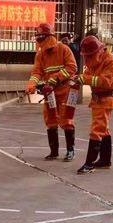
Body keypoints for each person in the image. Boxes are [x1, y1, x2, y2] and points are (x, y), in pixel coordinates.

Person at [26, 23, 78, 161]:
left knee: (66, 120)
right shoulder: (40, 55)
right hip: (50, 92)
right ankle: (54, 152)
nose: (40, 42)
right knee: (50, 120)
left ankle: (70, 151)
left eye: (42, 38)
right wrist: (32, 84)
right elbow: (37, 72)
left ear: (50, 37)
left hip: (65, 90)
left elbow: (72, 68)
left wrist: (56, 77)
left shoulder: (64, 49)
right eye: (39, 39)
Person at [74, 35, 113, 174]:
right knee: (103, 129)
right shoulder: (95, 60)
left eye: (89, 56)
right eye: (86, 56)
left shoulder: (111, 61)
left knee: (97, 130)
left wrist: (84, 79)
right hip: (98, 99)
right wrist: (78, 79)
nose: (87, 59)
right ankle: (105, 161)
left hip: (106, 99)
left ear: (98, 51)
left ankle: (89, 164)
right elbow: (88, 74)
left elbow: (105, 82)